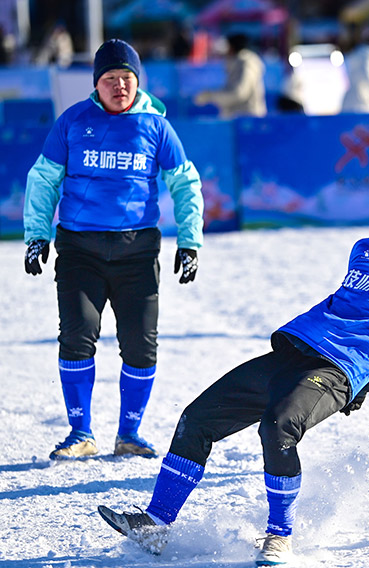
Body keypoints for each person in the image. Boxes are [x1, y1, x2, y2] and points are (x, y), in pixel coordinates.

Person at [97, 170, 369, 565]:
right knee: (197, 418)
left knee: (278, 427)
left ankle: (280, 536)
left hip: (336, 371)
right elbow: (356, 312)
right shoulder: (363, 250)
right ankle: (156, 524)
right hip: (294, 350)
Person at [23, 39, 204, 460]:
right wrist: (37, 235)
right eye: (110, 78)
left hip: (137, 252)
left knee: (140, 345)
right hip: (80, 250)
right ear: (96, 83)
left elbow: (185, 183)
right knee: (77, 336)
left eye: (126, 78)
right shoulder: (73, 121)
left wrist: (190, 241)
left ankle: (129, 434)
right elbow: (44, 179)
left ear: (138, 81)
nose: (119, 85)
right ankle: (80, 433)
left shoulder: (157, 127)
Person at [195, 33, 266, 119]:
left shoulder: (246, 64)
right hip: (237, 117)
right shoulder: (236, 62)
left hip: (248, 118)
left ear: (232, 47)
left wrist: (210, 96)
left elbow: (239, 93)